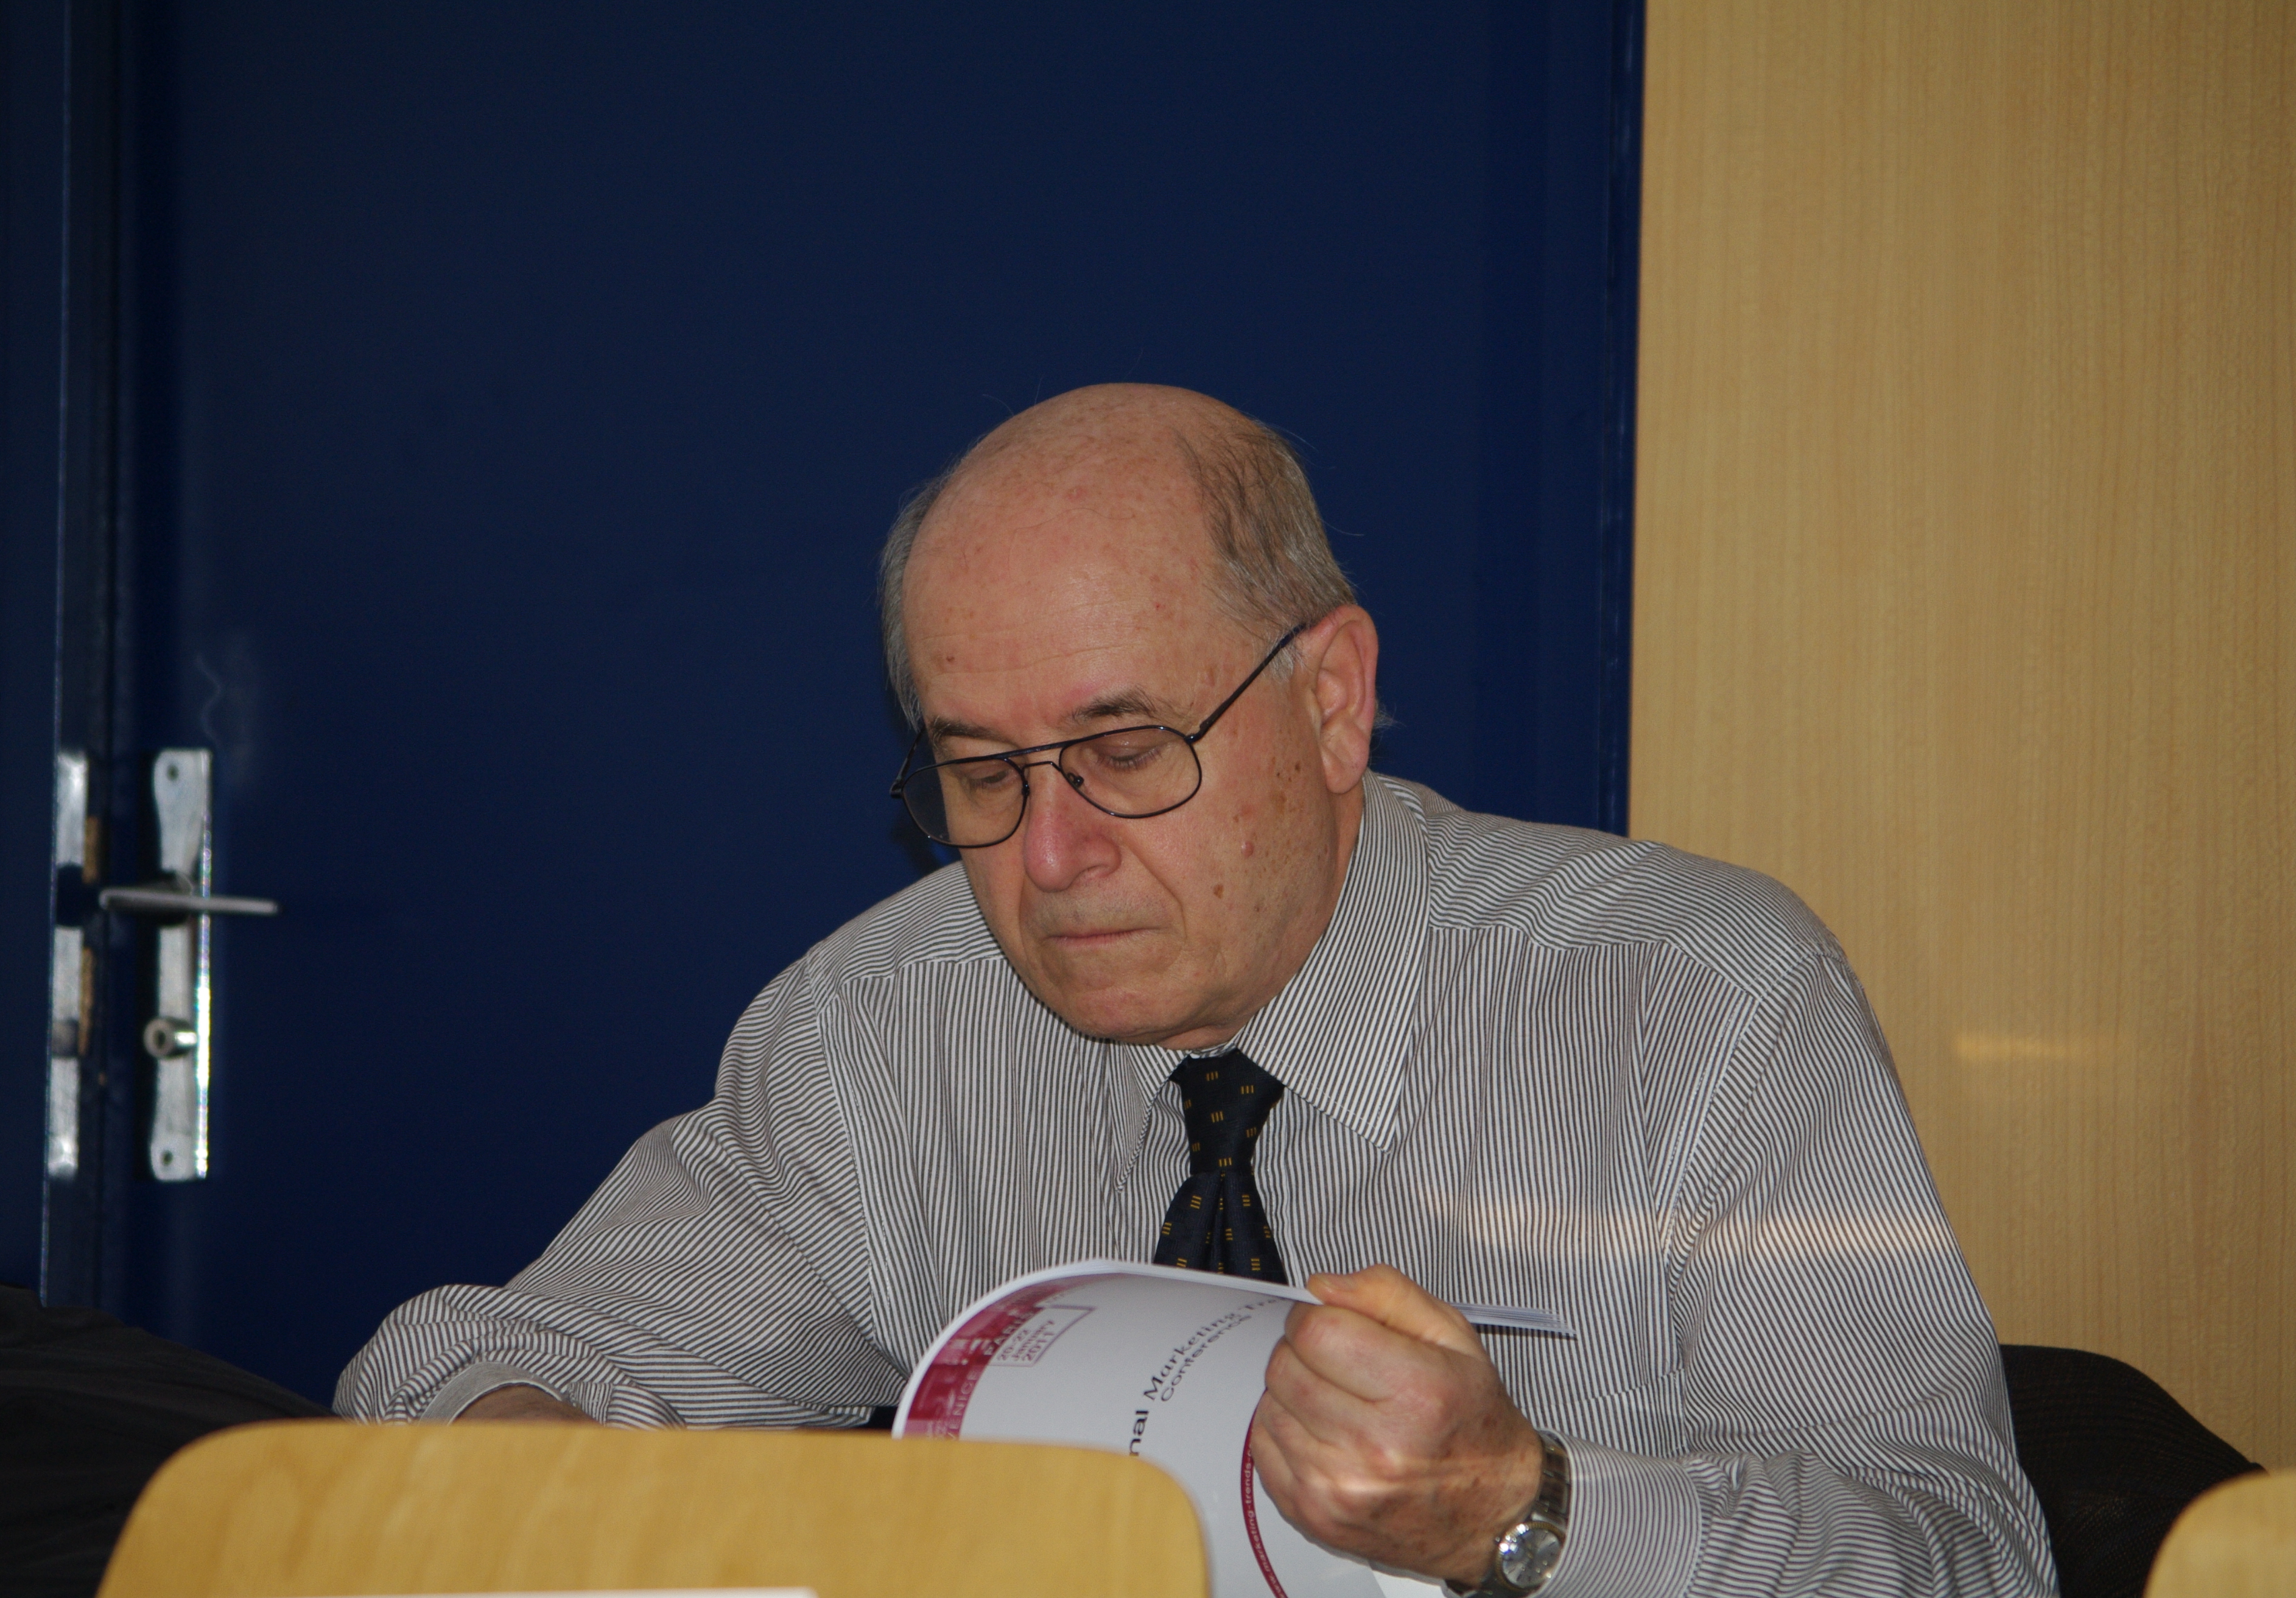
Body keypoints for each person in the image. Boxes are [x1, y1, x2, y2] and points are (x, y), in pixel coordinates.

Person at [337, 384, 2055, 1597]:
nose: (1050, 856)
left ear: (1332, 702)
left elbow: (1969, 1559)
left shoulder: (1699, 1004)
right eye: (979, 771)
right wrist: (546, 1472)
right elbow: (469, 1358)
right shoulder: (882, 1034)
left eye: (1127, 750)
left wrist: (1521, 1514)